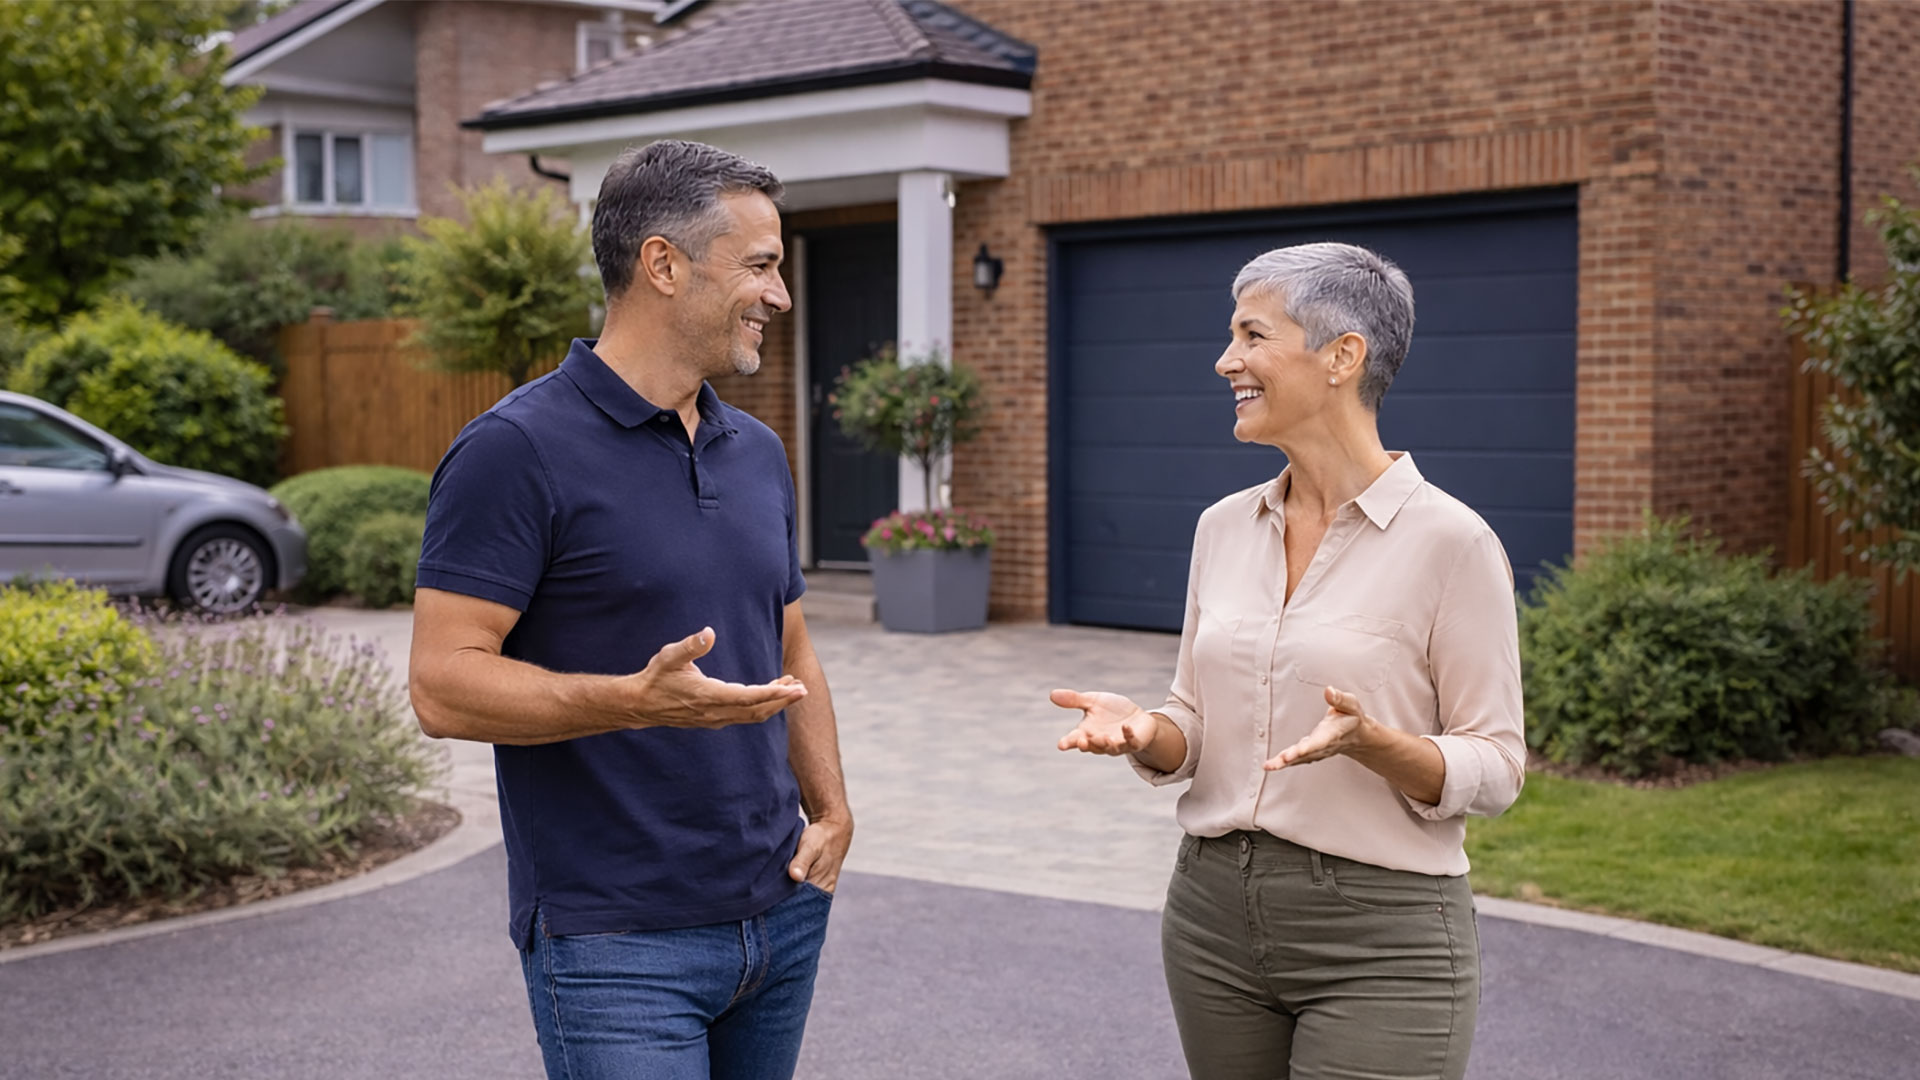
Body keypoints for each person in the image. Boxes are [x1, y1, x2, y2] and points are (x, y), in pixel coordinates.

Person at [408, 139, 851, 1080]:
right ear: (663, 264)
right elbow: (442, 687)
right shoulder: (513, 451)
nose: (780, 294)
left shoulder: (757, 450)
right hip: (614, 944)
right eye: (762, 266)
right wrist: (629, 701)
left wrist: (834, 809)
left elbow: (791, 644)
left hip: (778, 911)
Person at [1052, 242, 1525, 1080]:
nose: (1226, 360)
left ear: (1343, 356)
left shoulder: (1454, 543)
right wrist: (1146, 733)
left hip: (1381, 934)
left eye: (1253, 335)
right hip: (1211, 920)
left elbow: (1497, 765)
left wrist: (1379, 745)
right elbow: (1195, 720)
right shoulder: (1222, 527)